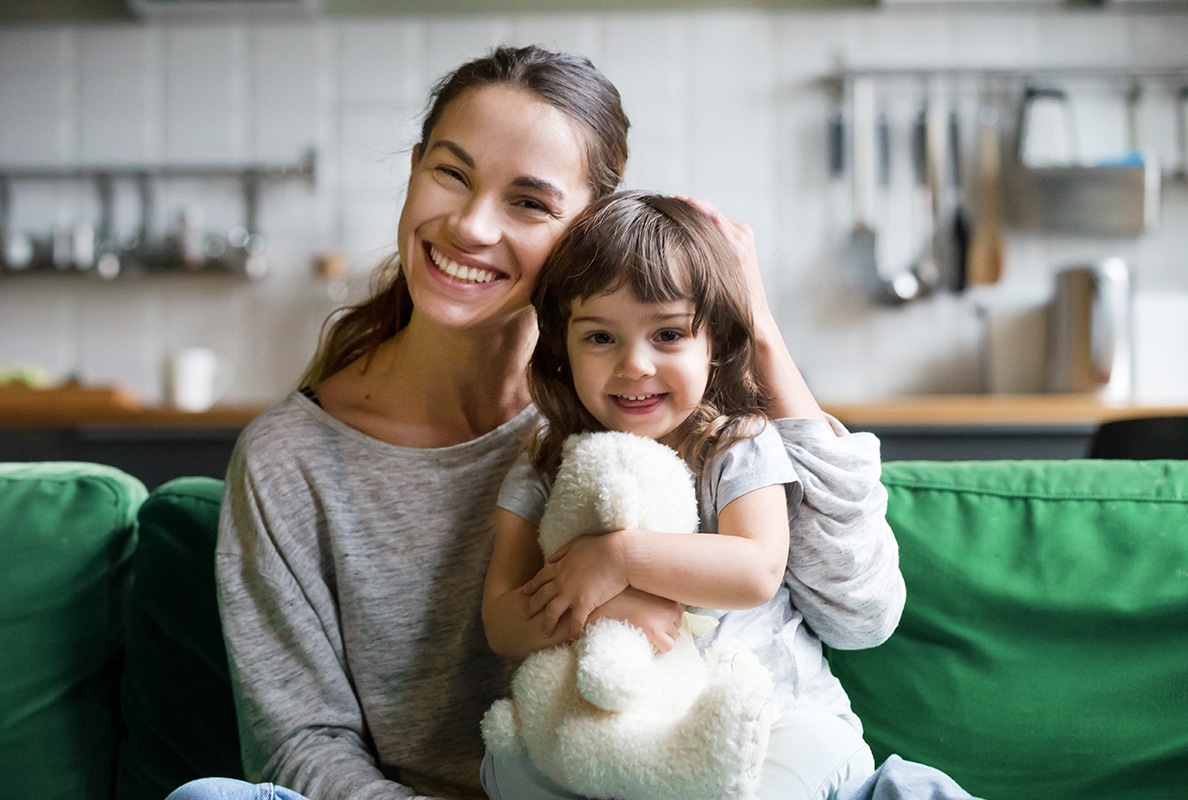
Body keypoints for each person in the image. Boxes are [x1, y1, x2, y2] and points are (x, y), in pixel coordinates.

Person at [166, 44, 906, 800]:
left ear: (587, 231)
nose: (471, 226)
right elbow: (300, 747)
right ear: (415, 167)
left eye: (529, 201)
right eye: (451, 173)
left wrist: (760, 334)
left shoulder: (661, 408)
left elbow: (863, 614)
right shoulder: (291, 459)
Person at [479, 191, 898, 800]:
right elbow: (501, 620)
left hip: (776, 724)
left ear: (717, 344)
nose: (635, 365)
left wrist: (617, 559)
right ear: (562, 351)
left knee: (805, 752)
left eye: (669, 334)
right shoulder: (545, 461)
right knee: (509, 770)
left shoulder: (737, 442)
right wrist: (598, 611)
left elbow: (756, 568)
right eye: (599, 338)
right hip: (625, 741)